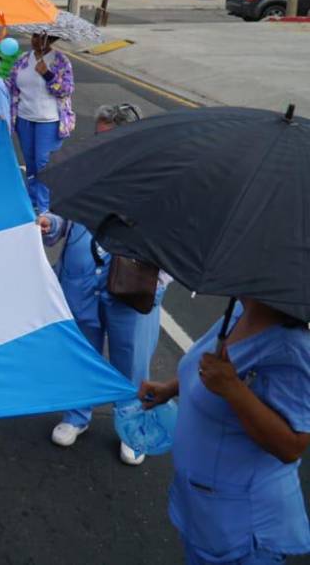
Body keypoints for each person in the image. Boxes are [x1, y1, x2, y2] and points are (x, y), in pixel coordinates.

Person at [39, 103, 165, 465]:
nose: (100, 146)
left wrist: (158, 283)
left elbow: (175, 240)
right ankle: (76, 415)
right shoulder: (86, 171)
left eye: (108, 139)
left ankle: (131, 428)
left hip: (132, 286)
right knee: (83, 353)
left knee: (132, 360)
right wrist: (51, 224)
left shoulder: (159, 181)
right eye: (98, 137)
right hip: (81, 282)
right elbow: (63, 214)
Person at [141, 300, 310, 565]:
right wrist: (171, 389)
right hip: (204, 510)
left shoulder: (292, 347)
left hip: (243, 528)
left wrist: (234, 389)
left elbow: (292, 446)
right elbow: (207, 369)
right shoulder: (240, 312)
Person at [8, 31, 76, 213]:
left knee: (43, 165)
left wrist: (48, 74)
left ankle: (45, 207)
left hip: (49, 120)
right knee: (30, 164)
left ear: (50, 40)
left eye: (39, 37)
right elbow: (12, 86)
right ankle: (32, 203)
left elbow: (66, 90)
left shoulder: (60, 61)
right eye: (33, 36)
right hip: (24, 118)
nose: (34, 40)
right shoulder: (23, 59)